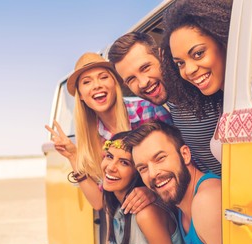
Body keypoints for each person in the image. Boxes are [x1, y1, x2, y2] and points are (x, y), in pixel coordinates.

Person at [45, 52, 172, 211]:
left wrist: (153, 191)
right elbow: (99, 202)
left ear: (115, 83)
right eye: (87, 82)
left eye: (103, 77)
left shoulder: (149, 111)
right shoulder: (95, 138)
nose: (97, 85)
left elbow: (185, 164)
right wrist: (73, 156)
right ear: (81, 96)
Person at [108, 31, 222, 177]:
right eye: (131, 79)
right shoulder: (167, 109)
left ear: (161, 57)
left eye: (145, 68)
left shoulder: (206, 89)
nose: (143, 83)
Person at [123, 120, 222, 244]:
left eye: (160, 158)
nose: (152, 173)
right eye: (143, 168)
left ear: (185, 155)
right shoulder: (182, 205)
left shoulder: (207, 200)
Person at [161, 0, 233, 163]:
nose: (189, 70)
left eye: (198, 53)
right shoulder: (225, 102)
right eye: (180, 63)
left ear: (224, 40)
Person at [102, 131, 188, 244]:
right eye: (109, 156)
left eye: (124, 162)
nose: (110, 167)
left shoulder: (146, 215)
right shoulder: (112, 207)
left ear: (138, 172)